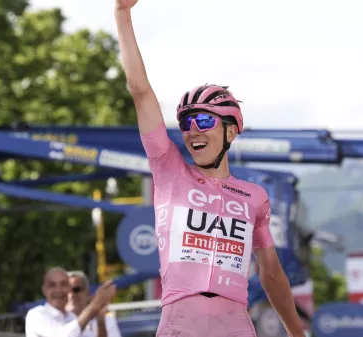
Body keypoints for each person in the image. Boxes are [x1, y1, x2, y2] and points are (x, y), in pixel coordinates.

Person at [113, 1, 306, 336]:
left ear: (231, 131)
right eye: (187, 122)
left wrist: (297, 333)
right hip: (180, 321)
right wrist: (122, 15)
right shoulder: (169, 169)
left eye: (204, 120)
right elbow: (140, 91)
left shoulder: (255, 197)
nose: (194, 130)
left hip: (235, 323)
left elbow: (272, 275)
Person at [24, 267, 117, 337]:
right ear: (44, 290)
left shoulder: (72, 318)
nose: (58, 290)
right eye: (52, 285)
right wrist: (94, 305)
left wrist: (101, 322)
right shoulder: (36, 315)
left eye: (63, 284)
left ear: (69, 288)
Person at [66, 271, 122, 337]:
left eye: (76, 290)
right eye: (67, 290)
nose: (71, 295)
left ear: (87, 292)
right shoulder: (55, 322)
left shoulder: (107, 321)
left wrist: (101, 323)